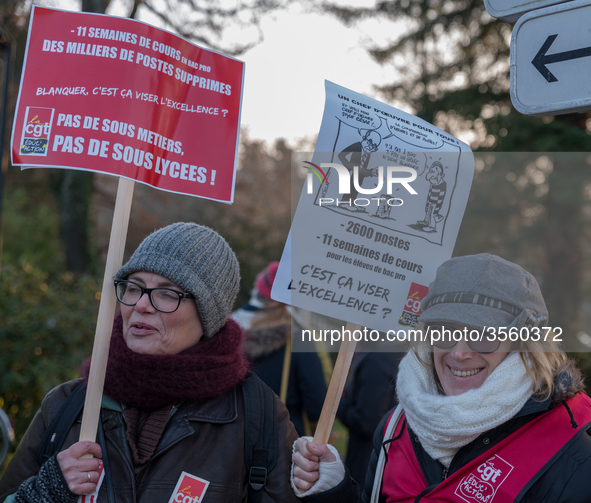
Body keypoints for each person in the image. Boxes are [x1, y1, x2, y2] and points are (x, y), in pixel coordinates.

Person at [0, 222, 300, 503]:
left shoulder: (257, 417)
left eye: (167, 293)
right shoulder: (66, 406)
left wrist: (335, 488)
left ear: (209, 314)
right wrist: (45, 491)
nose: (141, 305)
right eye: (133, 287)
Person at [291, 253, 591, 502]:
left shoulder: (574, 443)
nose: (460, 352)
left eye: (483, 335)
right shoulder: (398, 423)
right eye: (444, 332)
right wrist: (334, 488)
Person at [233, 262, 328, 436]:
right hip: (283, 441)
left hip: (233, 438)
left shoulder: (228, 331)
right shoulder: (298, 338)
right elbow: (318, 407)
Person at [336, 350, 404, 485]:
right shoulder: (397, 353)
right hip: (389, 457)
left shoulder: (378, 360)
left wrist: (339, 403)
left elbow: (367, 423)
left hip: (369, 461)